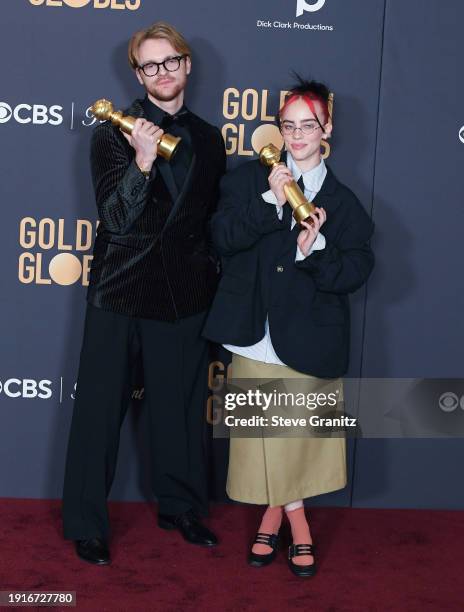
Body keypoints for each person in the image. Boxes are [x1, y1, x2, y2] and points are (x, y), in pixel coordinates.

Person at [62, 21, 226, 565]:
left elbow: (209, 221)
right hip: (121, 287)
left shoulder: (207, 137)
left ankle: (180, 507)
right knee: (99, 411)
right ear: (138, 73)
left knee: (179, 411)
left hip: (183, 294)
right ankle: (87, 522)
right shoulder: (113, 130)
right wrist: (142, 161)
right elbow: (115, 215)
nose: (162, 72)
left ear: (186, 64)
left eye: (171, 61)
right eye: (150, 65)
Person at [202, 77, 374, 577]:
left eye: (308, 125)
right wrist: (269, 203)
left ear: (328, 130)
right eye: (289, 125)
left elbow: (356, 271)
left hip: (310, 337)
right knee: (265, 437)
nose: (297, 136)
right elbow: (220, 238)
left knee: (292, 437)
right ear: (279, 129)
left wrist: (314, 250)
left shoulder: (343, 204)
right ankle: (299, 523)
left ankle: (274, 516)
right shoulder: (245, 181)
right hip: (253, 332)